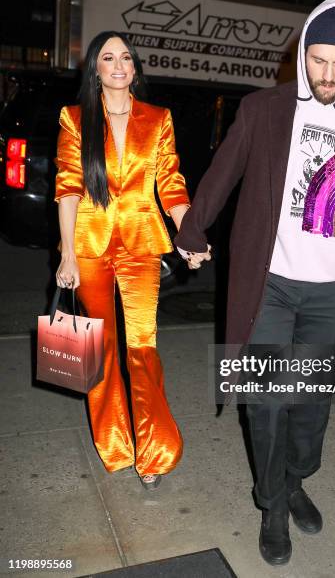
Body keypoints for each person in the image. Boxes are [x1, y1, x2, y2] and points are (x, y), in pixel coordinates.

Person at [175, 0, 335, 564]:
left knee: (311, 406)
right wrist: (192, 229)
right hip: (271, 286)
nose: (326, 75)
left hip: (333, 295)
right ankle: (272, 503)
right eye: (317, 60)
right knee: (267, 402)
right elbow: (221, 175)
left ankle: (298, 478)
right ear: (303, 55)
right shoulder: (264, 111)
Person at [55, 31, 190, 489]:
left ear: (135, 69)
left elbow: (171, 183)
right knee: (102, 349)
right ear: (95, 67)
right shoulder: (75, 119)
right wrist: (67, 254)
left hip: (140, 243)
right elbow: (69, 189)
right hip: (90, 244)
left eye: (126, 57)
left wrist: (189, 230)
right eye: (108, 57)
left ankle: (154, 454)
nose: (118, 64)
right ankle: (115, 444)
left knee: (142, 346)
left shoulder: (158, 118)